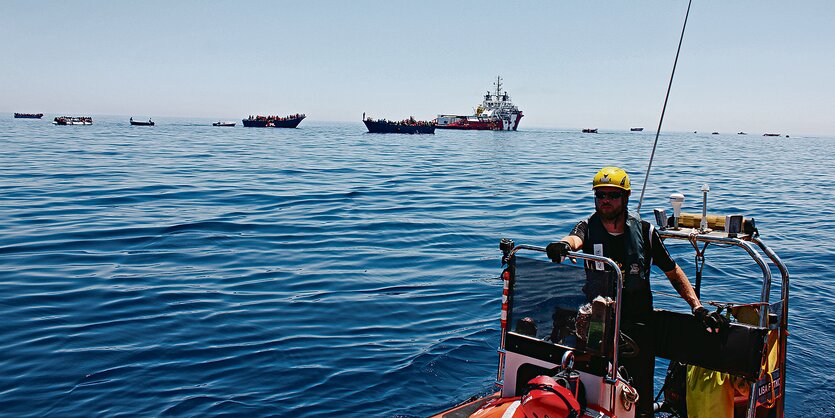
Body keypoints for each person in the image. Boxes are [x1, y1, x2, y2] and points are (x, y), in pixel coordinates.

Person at [545, 166, 727, 417]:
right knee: (593, 387)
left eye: (612, 195)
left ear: (626, 197)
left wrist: (697, 307)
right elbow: (573, 240)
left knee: (638, 397)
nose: (605, 200)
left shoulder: (645, 232)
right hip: (597, 321)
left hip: (638, 325)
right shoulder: (586, 227)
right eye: (600, 195)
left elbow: (673, 272)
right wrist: (563, 246)